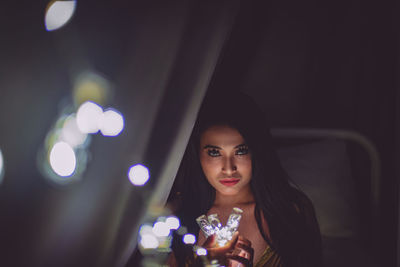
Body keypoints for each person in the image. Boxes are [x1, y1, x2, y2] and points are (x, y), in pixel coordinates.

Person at [167, 91, 322, 267]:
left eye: (240, 151)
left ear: (257, 152)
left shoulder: (291, 211)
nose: (228, 168)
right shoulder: (175, 216)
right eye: (214, 152)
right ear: (197, 155)